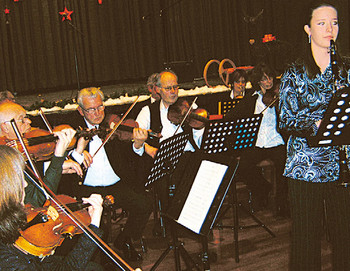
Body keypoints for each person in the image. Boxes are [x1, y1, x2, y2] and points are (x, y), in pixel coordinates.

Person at [279, 1, 350, 270]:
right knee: (306, 239)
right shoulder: (294, 72)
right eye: (321, 23)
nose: (329, 28)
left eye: (334, 22)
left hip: (342, 164)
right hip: (305, 166)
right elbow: (285, 119)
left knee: (345, 237)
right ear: (308, 29)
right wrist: (317, 122)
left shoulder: (346, 69)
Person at [66, 87, 152, 262]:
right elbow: (64, 169)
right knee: (99, 232)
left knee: (144, 203)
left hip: (116, 184)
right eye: (91, 109)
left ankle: (124, 239)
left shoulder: (112, 127)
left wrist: (138, 145)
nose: (97, 113)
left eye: (100, 107)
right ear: (80, 110)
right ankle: (98, 252)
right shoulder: (73, 132)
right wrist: (77, 153)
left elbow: (130, 157)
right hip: (87, 189)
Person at [0, 145, 105, 270]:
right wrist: (93, 229)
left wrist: (93, 227)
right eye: (18, 179)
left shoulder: (10, 219)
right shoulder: (10, 262)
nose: (25, 184)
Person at [225, 63, 288, 215]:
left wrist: (281, 105)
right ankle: (262, 187)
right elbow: (231, 117)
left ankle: (282, 205)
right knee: (243, 165)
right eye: (265, 79)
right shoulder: (251, 99)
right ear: (258, 82)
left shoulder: (279, 96)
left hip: (276, 140)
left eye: (270, 78)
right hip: (257, 143)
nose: (269, 82)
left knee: (284, 164)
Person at [0, 101, 83, 207]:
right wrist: (58, 157)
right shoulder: (6, 161)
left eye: (27, 117)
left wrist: (52, 166)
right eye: (22, 120)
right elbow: (39, 200)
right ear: (5, 127)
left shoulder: (17, 152)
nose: (29, 121)